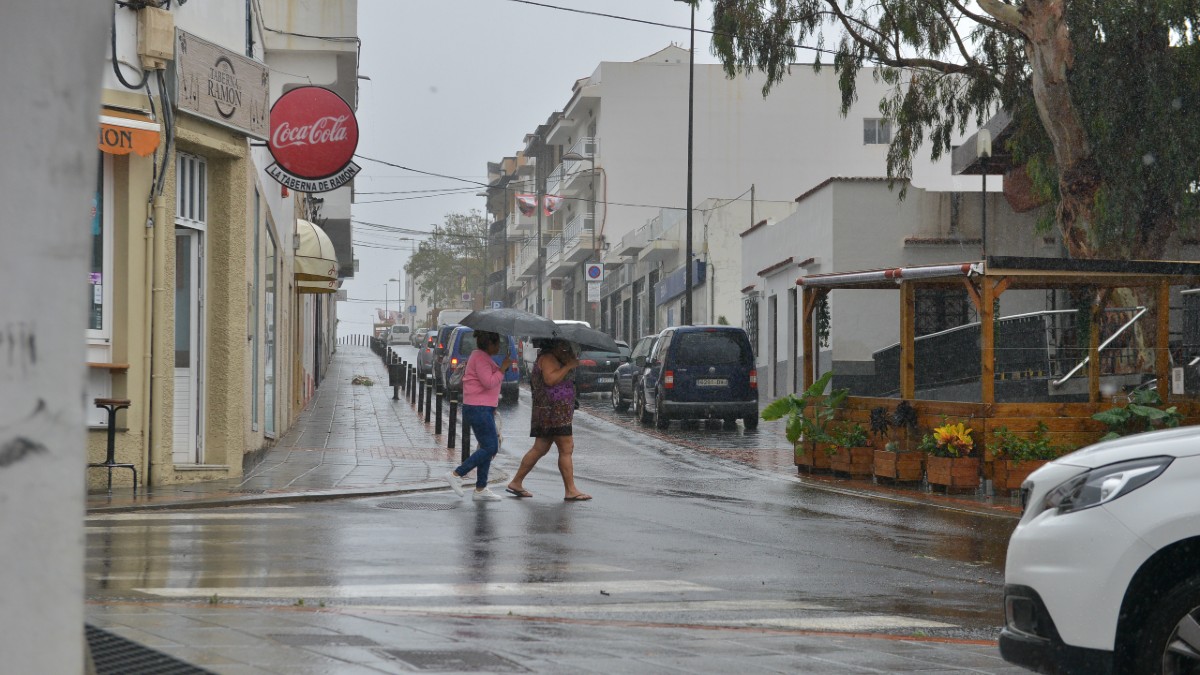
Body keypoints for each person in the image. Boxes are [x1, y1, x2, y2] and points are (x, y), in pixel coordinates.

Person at [506, 338, 592, 501]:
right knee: (566, 448)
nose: (566, 349)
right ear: (555, 345)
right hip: (554, 412)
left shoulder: (550, 357)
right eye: (564, 346)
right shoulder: (548, 358)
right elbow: (550, 380)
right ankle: (570, 490)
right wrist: (567, 366)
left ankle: (516, 482)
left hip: (550, 411)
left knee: (540, 448)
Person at [444, 331, 513, 501]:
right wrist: (503, 368)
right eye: (497, 344)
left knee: (486, 447)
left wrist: (492, 405)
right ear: (489, 344)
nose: (499, 347)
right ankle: (456, 474)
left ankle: (481, 488)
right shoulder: (480, 358)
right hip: (478, 408)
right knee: (491, 447)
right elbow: (488, 382)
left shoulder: (482, 357)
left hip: (483, 407)